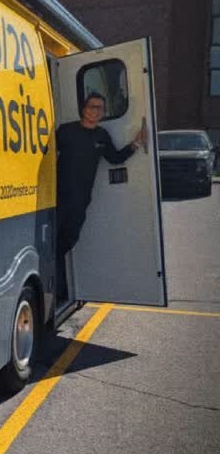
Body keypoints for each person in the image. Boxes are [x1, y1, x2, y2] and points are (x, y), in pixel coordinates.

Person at [55, 92, 146, 300]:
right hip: (57, 198)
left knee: (66, 242)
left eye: (100, 108)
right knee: (53, 245)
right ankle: (59, 293)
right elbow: (47, 153)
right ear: (84, 108)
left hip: (80, 201)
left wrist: (136, 144)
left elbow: (115, 158)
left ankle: (58, 292)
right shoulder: (66, 131)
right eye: (92, 107)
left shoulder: (102, 136)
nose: (95, 111)